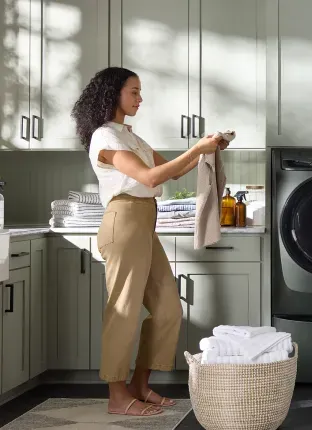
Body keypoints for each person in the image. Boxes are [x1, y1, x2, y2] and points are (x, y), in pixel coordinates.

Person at [71, 67, 229, 417]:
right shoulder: (105, 138)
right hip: (124, 223)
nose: (140, 99)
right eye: (134, 92)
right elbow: (150, 176)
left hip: (145, 222)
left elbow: (172, 170)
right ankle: (116, 394)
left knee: (168, 310)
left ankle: (140, 385)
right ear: (113, 94)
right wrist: (197, 148)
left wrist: (207, 149)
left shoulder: (131, 137)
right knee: (123, 310)